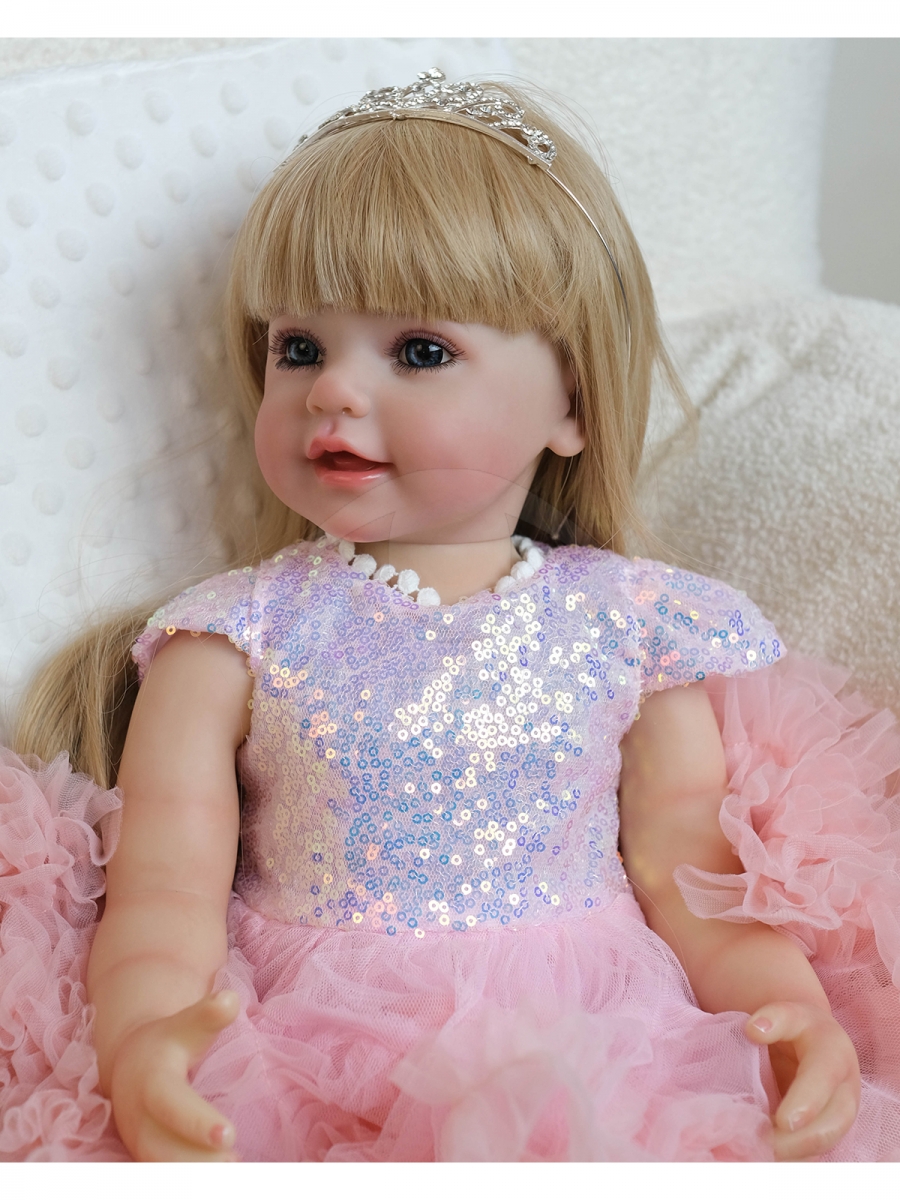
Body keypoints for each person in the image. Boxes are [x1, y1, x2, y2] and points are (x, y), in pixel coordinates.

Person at [3, 70, 899, 1163]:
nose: (333, 392)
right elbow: (165, 893)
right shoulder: (233, 640)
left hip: (603, 1038)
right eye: (299, 347)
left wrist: (786, 1007)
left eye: (420, 351)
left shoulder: (633, 625)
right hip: (308, 1047)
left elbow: (687, 865)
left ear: (572, 401)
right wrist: (144, 1040)